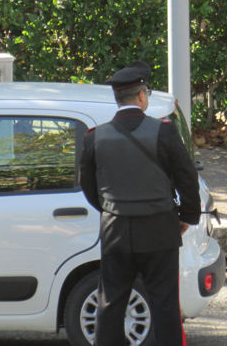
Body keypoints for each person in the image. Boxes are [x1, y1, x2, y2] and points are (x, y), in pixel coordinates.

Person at [80, 60, 201, 346]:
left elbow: (88, 186)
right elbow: (187, 178)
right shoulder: (164, 132)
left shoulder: (95, 138)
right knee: (165, 304)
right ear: (142, 95)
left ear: (117, 99)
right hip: (160, 228)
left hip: (116, 231)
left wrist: (112, 210)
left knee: (110, 303)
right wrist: (188, 216)